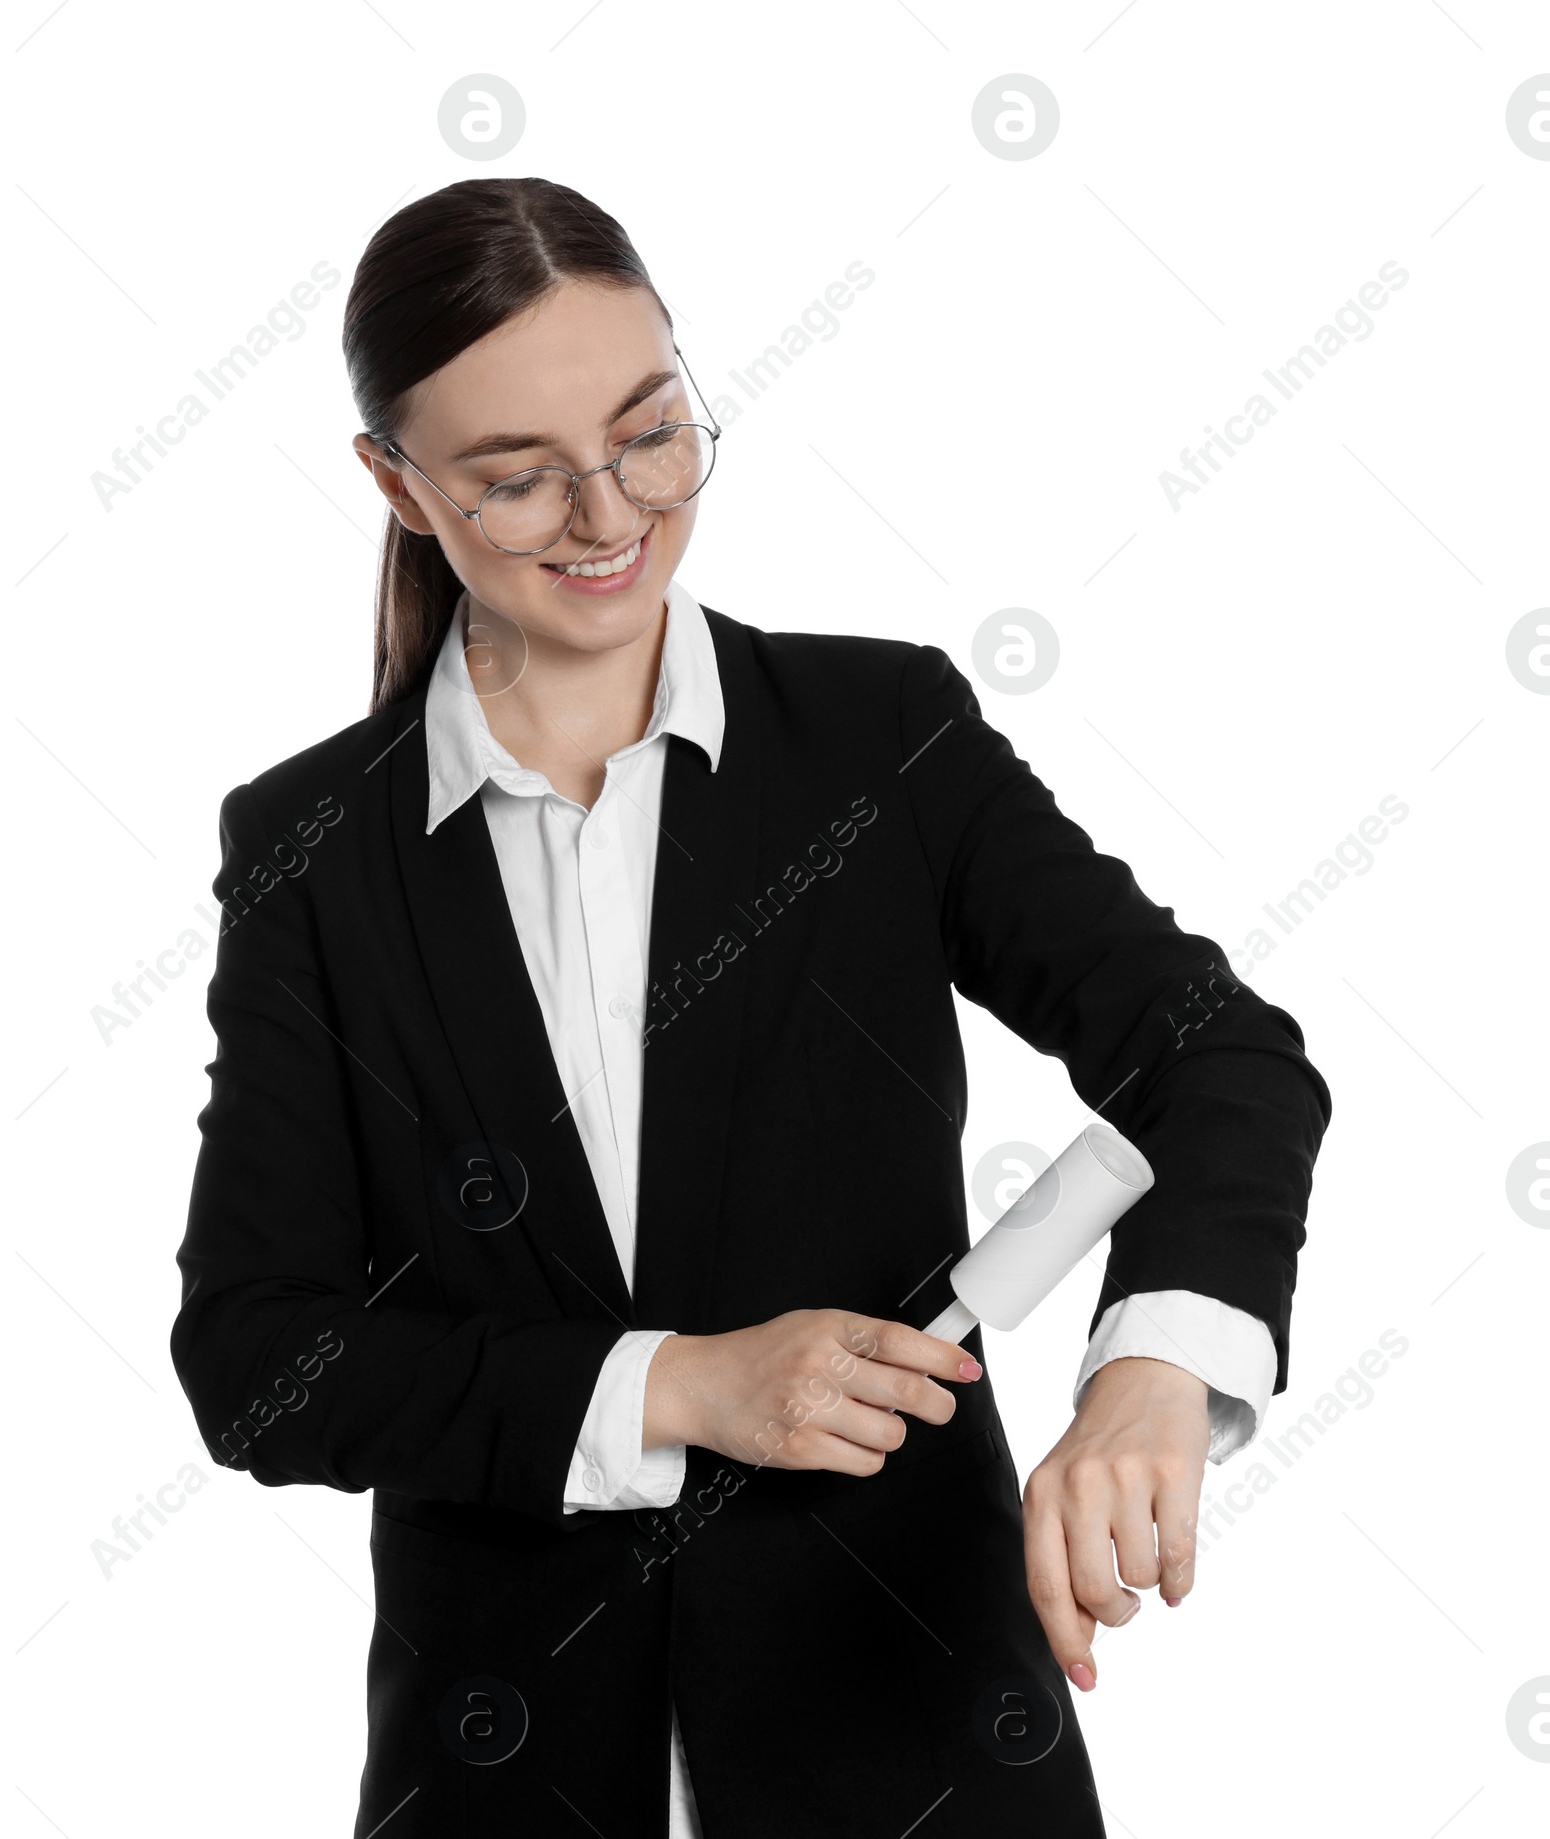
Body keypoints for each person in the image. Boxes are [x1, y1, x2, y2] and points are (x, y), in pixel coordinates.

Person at [170, 177, 1331, 1837]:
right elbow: (260, 1357)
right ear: (397, 486)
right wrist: (674, 1387)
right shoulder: (308, 852)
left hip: (914, 1738)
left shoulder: (881, 741)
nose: (606, 515)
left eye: (651, 434)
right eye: (516, 481)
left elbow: (1220, 1057)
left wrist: (1147, 1370)